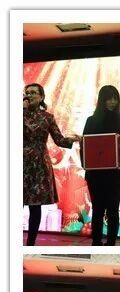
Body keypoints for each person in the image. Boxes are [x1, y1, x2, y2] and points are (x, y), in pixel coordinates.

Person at [23, 83, 80, 245]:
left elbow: (59, 140)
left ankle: (31, 242)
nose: (29, 95)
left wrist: (74, 140)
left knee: (35, 206)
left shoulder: (47, 117)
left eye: (33, 93)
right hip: (19, 162)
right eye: (27, 93)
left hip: (39, 165)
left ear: (41, 97)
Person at [82, 85, 120, 246]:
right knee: (97, 210)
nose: (112, 102)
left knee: (113, 210)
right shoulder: (91, 121)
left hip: (115, 174)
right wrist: (86, 164)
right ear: (101, 100)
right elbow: (84, 145)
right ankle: (96, 243)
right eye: (109, 98)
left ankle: (111, 243)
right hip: (95, 175)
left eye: (115, 98)